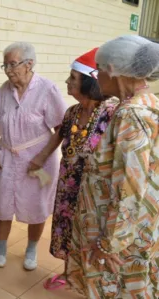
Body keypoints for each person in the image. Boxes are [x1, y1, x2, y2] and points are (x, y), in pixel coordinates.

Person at [66, 36, 159, 298]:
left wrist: (110, 245)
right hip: (135, 227)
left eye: (98, 70)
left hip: (116, 236)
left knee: (113, 290)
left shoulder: (132, 115)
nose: (96, 78)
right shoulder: (149, 104)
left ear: (112, 70)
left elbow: (130, 186)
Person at [28, 48, 118, 290]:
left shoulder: (112, 112)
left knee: (90, 234)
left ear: (88, 83)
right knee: (66, 229)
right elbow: (59, 135)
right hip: (68, 184)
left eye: (72, 78)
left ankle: (90, 281)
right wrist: (40, 157)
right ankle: (68, 273)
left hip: (96, 191)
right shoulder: (73, 112)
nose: (67, 82)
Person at [0, 42, 68, 270]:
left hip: (41, 162)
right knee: (3, 204)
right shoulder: (4, 90)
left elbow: (61, 128)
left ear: (29, 64)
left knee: (37, 205)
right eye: (5, 65)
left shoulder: (47, 89)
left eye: (12, 64)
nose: (8, 70)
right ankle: (1, 246)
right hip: (8, 158)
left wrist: (41, 157)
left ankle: (32, 248)